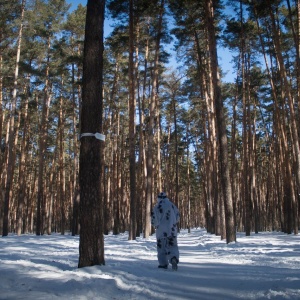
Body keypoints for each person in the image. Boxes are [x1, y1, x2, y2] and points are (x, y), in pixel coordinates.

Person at [151, 192, 180, 270]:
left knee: (162, 247)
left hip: (161, 231)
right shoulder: (172, 206)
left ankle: (163, 264)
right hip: (172, 230)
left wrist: (155, 224)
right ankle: (173, 258)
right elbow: (178, 217)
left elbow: (154, 221)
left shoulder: (157, 207)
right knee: (172, 246)